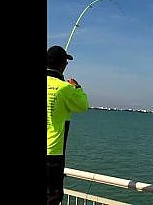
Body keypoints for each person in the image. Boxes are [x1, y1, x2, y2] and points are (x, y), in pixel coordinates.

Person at [46, 45, 89, 205]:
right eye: (66, 62)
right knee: (52, 196)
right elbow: (83, 105)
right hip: (53, 152)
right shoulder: (64, 88)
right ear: (62, 65)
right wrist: (76, 87)